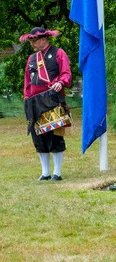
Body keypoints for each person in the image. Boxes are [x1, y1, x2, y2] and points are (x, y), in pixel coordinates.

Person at [20, 27, 72, 181]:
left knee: (54, 136)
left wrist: (61, 83)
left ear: (43, 39)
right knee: (38, 137)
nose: (32, 43)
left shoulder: (59, 53)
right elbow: (27, 82)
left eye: (34, 40)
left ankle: (57, 172)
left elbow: (66, 73)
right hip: (35, 103)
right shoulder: (31, 59)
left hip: (52, 101)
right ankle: (45, 172)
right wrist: (27, 100)